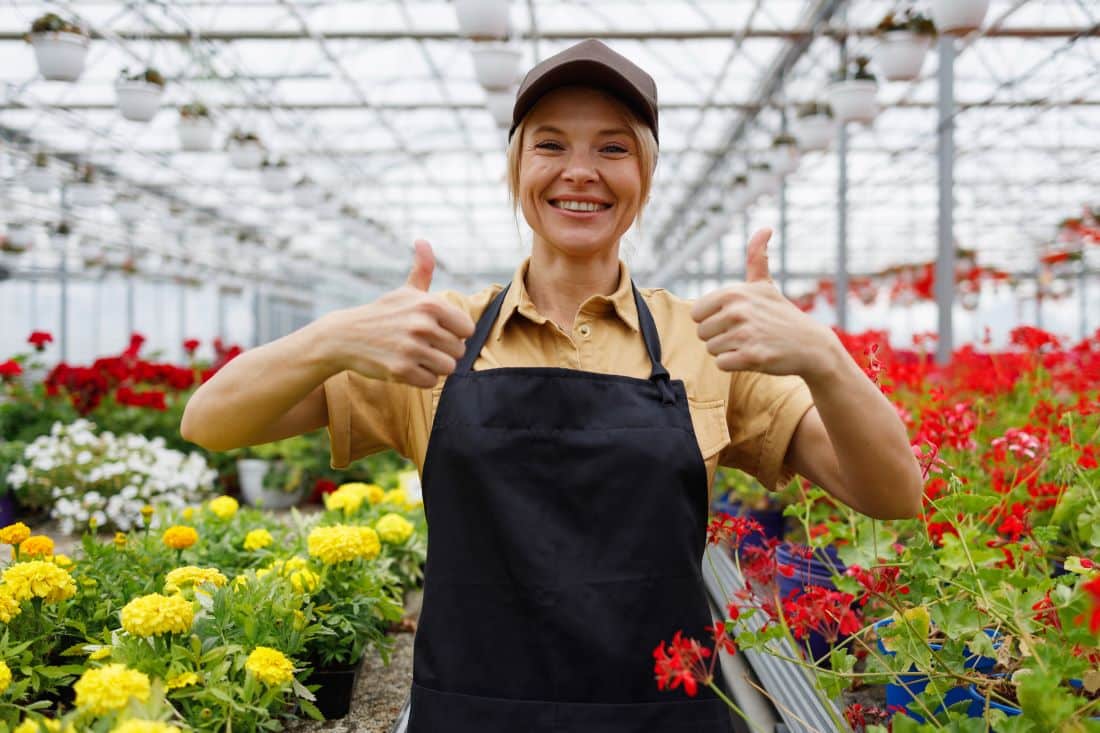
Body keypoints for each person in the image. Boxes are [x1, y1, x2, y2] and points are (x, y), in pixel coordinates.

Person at [181, 38, 922, 733]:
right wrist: (333, 336)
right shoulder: (439, 339)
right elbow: (209, 421)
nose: (580, 170)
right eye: (551, 144)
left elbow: (894, 492)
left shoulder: (704, 342)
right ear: (515, 169)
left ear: (645, 177)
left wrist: (824, 357)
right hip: (474, 714)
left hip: (662, 716)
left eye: (613, 147)